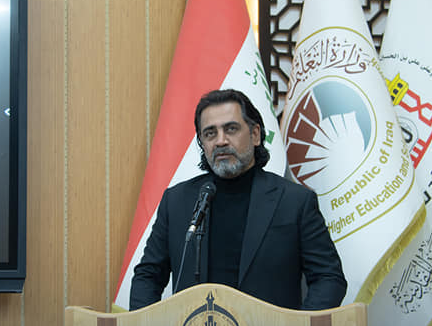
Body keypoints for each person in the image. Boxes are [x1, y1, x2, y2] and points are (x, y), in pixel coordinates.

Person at [129, 89, 346, 311]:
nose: (220, 141)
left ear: (255, 135)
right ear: (202, 143)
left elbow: (328, 278)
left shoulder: (294, 201)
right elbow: (148, 276)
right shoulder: (176, 201)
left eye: (231, 129)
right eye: (210, 133)